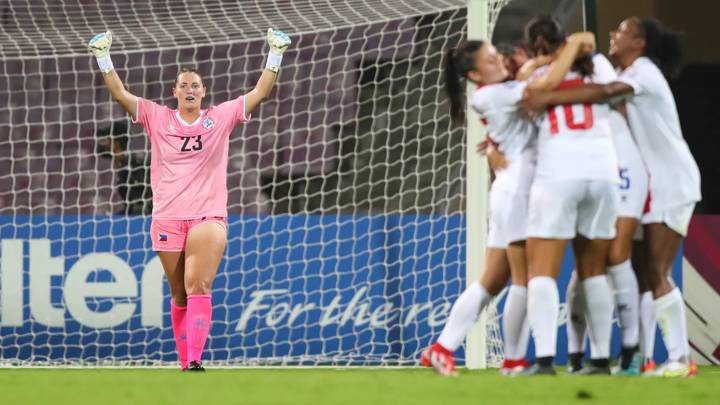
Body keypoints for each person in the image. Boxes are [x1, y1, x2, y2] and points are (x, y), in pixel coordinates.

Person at [88, 28, 291, 371]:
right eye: (184, 85)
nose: (190, 89)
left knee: (199, 283)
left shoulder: (220, 116)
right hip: (167, 217)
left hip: (207, 217)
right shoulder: (157, 117)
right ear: (175, 93)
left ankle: (196, 359)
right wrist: (102, 56)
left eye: (195, 85)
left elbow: (259, 92)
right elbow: (121, 93)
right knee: (180, 293)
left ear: (203, 92)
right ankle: (185, 362)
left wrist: (275, 53)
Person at [519, 17, 701, 378]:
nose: (613, 37)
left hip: (672, 181)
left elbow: (603, 93)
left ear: (640, 43)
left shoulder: (642, 73)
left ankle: (680, 358)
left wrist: (548, 96)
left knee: (657, 271)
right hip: (649, 183)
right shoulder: (624, 70)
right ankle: (646, 358)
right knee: (641, 271)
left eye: (621, 32)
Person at [420, 30, 595, 376]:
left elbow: (531, 79)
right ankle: (513, 359)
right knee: (523, 278)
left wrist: (541, 61)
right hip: (517, 191)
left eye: (496, 54)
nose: (499, 60)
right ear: (474, 75)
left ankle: (441, 349)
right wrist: (569, 49)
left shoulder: (496, 92)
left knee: (491, 281)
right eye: (490, 59)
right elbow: (541, 88)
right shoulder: (495, 95)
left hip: (512, 188)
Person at [520, 16, 619, 375]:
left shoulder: (532, 78)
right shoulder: (601, 65)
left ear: (536, 46)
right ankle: (600, 359)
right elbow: (618, 91)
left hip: (558, 172)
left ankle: (545, 360)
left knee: (542, 271)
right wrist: (579, 45)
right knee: (594, 271)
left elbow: (532, 93)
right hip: (604, 172)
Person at [96, 119, 152, 215]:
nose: (99, 145)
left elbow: (141, 208)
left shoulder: (134, 168)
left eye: (103, 141)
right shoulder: (123, 166)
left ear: (117, 143)